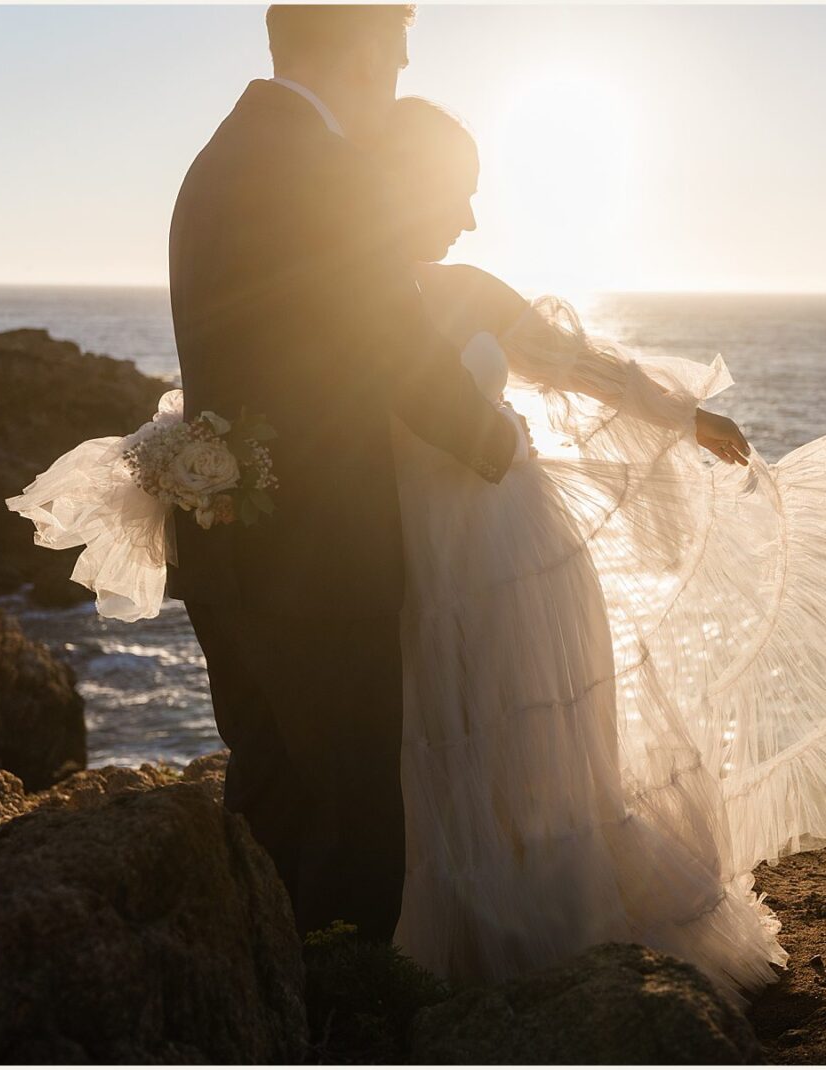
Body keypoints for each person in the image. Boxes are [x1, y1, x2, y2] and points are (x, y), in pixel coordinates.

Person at [371, 98, 826, 1000]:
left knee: (533, 737)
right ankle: (446, 934)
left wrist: (688, 416)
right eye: (458, 193)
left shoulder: (471, 288)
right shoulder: (336, 298)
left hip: (509, 546)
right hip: (400, 551)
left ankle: (549, 927)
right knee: (435, 735)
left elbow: (582, 366)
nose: (470, 217)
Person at [165, 6, 529, 942]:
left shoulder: (220, 156)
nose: (398, 83)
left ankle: (265, 1009)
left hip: (230, 536)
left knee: (274, 798)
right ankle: (344, 1025)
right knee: (356, 817)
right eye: (398, 63)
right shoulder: (326, 172)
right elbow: (391, 346)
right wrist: (492, 442)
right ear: (365, 55)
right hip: (318, 553)